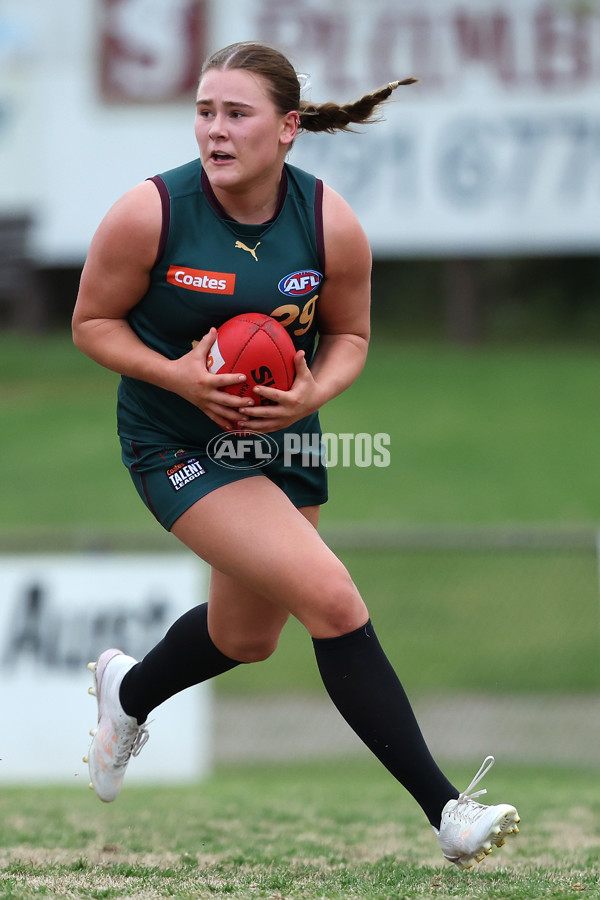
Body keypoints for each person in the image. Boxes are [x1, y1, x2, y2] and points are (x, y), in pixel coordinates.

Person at [72, 41, 520, 869]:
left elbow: (350, 336)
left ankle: (125, 692)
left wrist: (314, 396)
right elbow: (91, 325)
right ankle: (448, 811)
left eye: (236, 113)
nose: (215, 129)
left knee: (246, 639)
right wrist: (175, 375)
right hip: (177, 440)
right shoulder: (151, 213)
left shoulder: (327, 222)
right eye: (205, 111)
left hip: (287, 435)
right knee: (331, 597)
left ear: (288, 129)